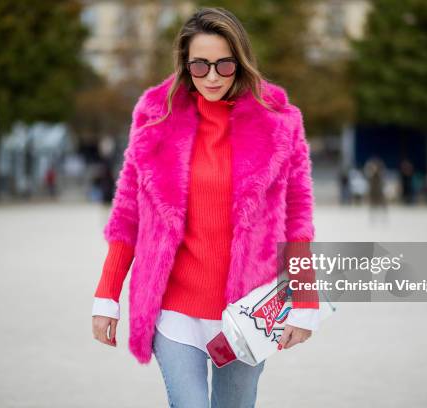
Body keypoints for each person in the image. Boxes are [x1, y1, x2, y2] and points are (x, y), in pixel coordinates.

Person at [91, 7, 323, 407]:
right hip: (174, 309)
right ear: (185, 65)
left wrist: (305, 300)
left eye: (224, 65)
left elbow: (298, 220)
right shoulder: (154, 118)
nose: (212, 77)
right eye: (200, 66)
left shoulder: (280, 123)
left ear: (241, 63)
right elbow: (127, 215)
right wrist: (106, 297)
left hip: (247, 311)